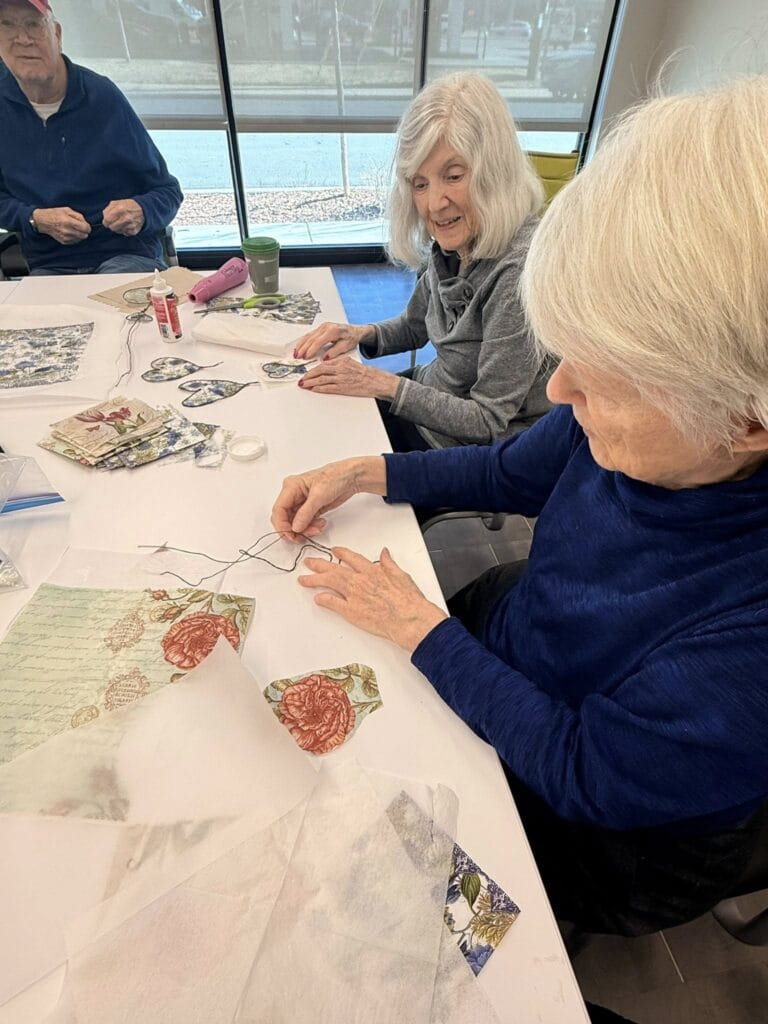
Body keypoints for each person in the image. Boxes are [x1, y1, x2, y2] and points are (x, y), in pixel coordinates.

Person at [271, 76, 768, 938]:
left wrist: (427, 636)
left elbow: (580, 770)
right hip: (525, 641)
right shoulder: (629, 418)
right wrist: (365, 472)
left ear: (744, 419)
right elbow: (504, 470)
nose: (561, 388)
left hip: (610, 836)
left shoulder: (748, 639)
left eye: (601, 376)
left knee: (384, 899)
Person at [293, 72, 552, 452]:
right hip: (429, 400)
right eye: (420, 183)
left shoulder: (518, 274)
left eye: (453, 176)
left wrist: (383, 384)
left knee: (332, 451)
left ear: (493, 172)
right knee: (317, 418)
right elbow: (416, 325)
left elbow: (488, 421)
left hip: (469, 450)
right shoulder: (455, 241)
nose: (434, 204)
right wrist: (359, 334)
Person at [0, 0, 183, 275]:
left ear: (57, 35)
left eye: (34, 26)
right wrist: (34, 218)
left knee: (119, 310)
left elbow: (168, 192)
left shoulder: (103, 98)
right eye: (8, 26)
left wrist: (140, 210)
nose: (23, 39)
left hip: (124, 253)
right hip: (50, 265)